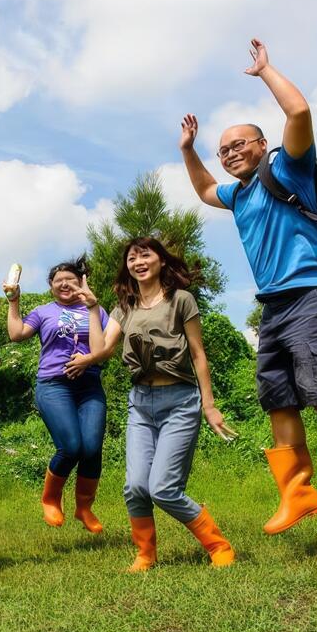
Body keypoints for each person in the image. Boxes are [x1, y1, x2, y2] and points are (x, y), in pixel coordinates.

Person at [179, 38, 317, 545]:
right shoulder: (240, 193)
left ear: (261, 144)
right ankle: (298, 493)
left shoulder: (285, 169)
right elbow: (205, 191)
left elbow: (300, 110)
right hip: (276, 308)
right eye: (223, 150)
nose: (228, 154)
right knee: (279, 399)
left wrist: (266, 71)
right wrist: (188, 150)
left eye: (238, 144)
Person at [75, 238, 237, 572]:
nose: (138, 261)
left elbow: (198, 353)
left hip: (179, 400)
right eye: (132, 257)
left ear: (161, 261)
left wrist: (209, 405)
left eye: (145, 254)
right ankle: (145, 554)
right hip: (140, 403)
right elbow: (101, 351)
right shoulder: (125, 306)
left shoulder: (181, 301)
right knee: (135, 486)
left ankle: (218, 545)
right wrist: (93, 309)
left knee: (163, 488)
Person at [4, 258, 107, 533]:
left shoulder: (96, 310)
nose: (64, 284)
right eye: (58, 280)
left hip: (89, 385)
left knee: (92, 448)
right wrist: (14, 301)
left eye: (71, 280)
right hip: (53, 385)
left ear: (82, 283)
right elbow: (16, 334)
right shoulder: (43, 311)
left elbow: (102, 348)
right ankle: (50, 498)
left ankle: (84, 508)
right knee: (71, 446)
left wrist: (92, 309)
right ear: (51, 286)